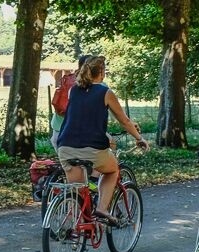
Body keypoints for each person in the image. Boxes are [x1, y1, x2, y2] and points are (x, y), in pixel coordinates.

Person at [56, 56, 149, 224]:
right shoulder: (105, 92)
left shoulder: (73, 90)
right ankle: (102, 209)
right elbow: (124, 121)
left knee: (77, 192)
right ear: (101, 72)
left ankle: (72, 228)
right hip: (92, 147)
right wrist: (139, 138)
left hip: (65, 147)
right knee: (112, 170)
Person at [50, 55, 92, 150]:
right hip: (80, 128)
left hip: (60, 121)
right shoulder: (96, 85)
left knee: (59, 145)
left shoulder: (68, 79)